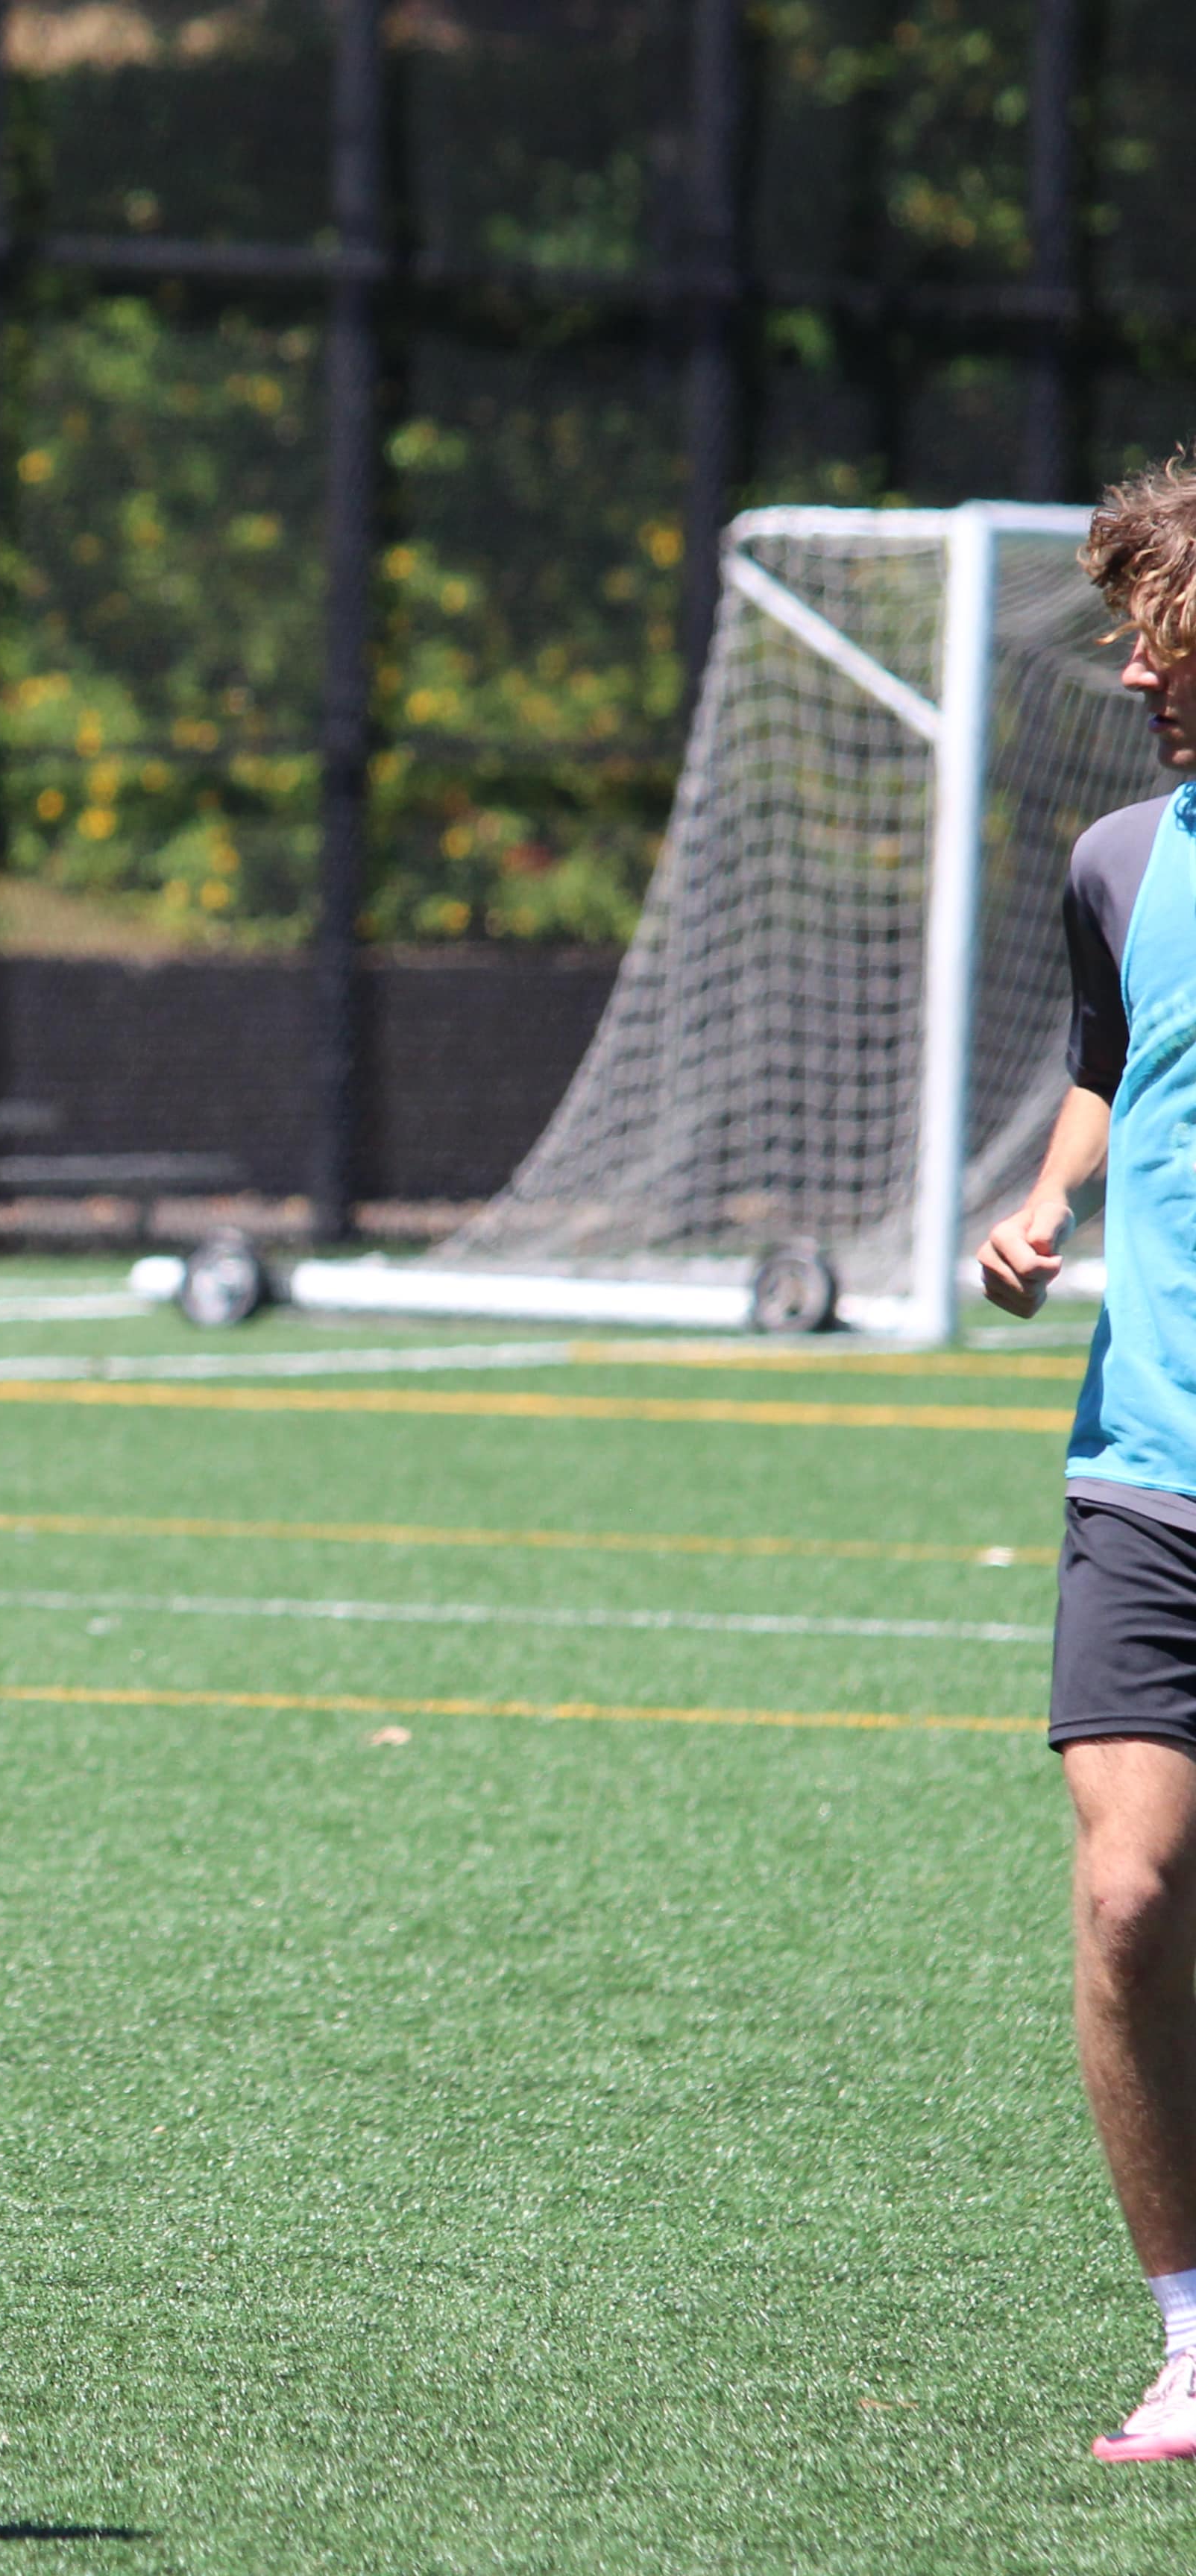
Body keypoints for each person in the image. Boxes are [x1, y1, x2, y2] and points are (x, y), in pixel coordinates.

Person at [981, 453, 1196, 2463]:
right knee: (1133, 1900)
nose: (1134, 667)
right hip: (1147, 1463)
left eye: (1165, 628)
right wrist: (1045, 1211)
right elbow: (1112, 1063)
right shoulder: (1121, 858)